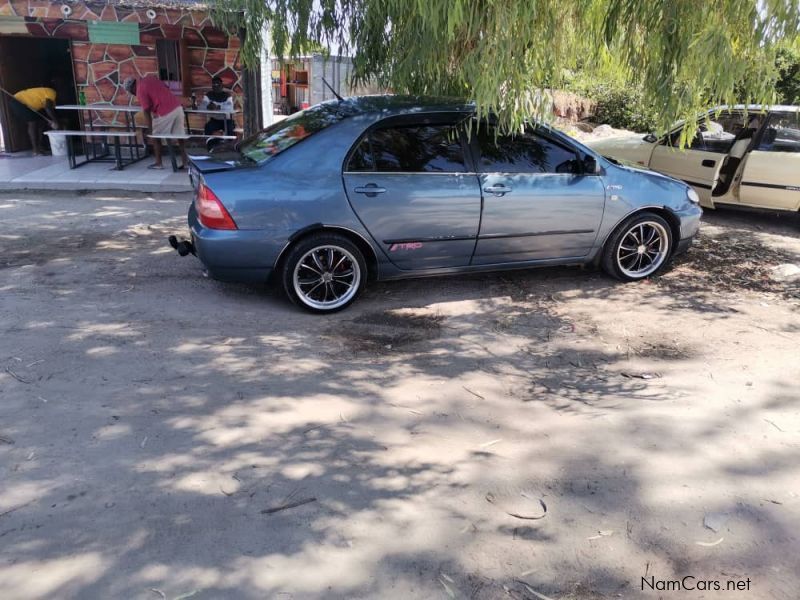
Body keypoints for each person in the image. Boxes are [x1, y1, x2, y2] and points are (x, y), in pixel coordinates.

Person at [122, 75, 187, 170]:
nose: (133, 94)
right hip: (177, 107)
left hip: (166, 111)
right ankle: (185, 162)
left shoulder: (140, 89)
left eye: (132, 92)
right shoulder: (151, 78)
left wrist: (150, 129)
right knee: (180, 136)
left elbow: (146, 111)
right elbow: (165, 88)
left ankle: (158, 163)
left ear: (132, 88)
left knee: (155, 136)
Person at [11, 86, 60, 156]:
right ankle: (35, 150)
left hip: (30, 105)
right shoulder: (52, 93)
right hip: (18, 101)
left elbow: (49, 109)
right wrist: (56, 122)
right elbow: (48, 109)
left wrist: (52, 121)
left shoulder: (52, 100)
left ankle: (39, 146)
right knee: (32, 123)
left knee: (41, 122)